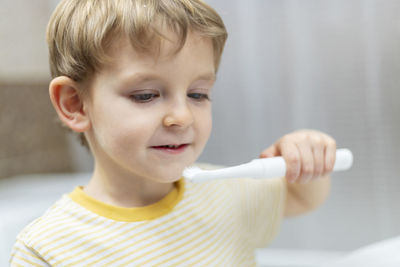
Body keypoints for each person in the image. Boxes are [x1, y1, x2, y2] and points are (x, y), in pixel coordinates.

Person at [10, 0, 336, 266]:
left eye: (198, 94)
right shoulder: (46, 249)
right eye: (146, 95)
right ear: (76, 104)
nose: (182, 117)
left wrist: (305, 160)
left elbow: (299, 199)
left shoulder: (224, 194)